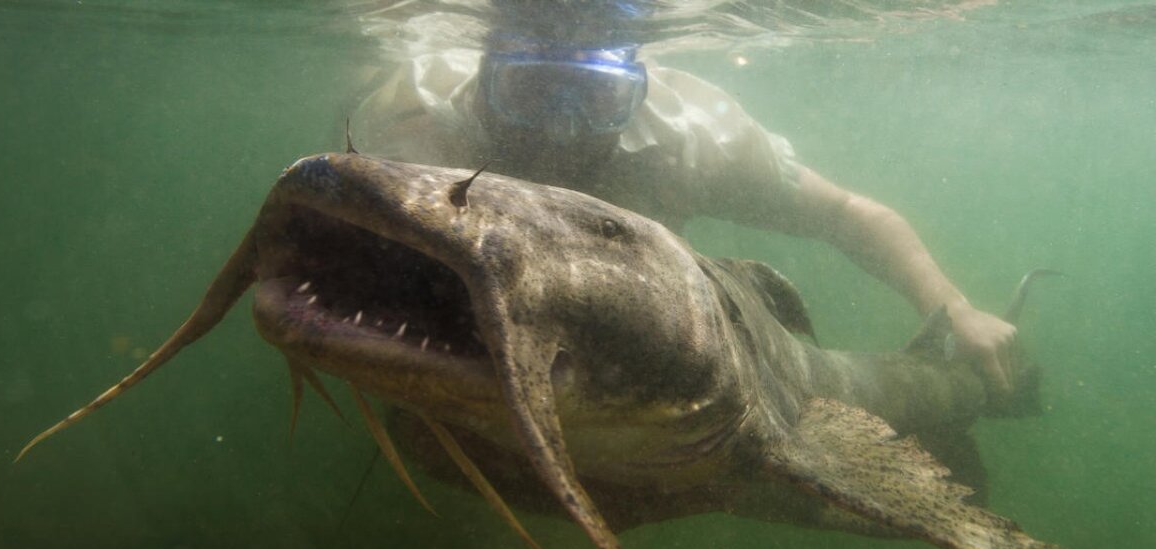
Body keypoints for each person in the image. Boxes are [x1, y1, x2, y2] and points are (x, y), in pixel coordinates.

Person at [352, 2, 1020, 394]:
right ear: (483, 78)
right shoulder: (418, 124)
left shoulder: (696, 134)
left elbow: (849, 215)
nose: (563, 128)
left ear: (638, 86)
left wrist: (954, 308)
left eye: (597, 98)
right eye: (530, 94)